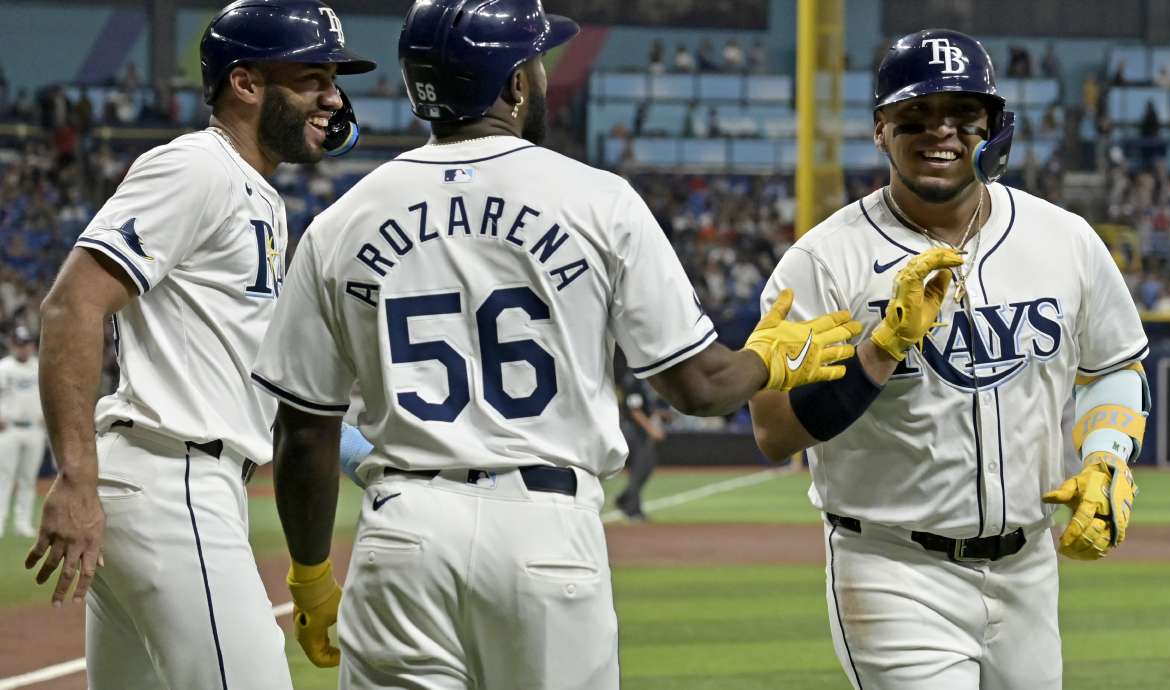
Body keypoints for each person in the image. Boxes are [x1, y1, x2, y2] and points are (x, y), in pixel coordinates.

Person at [250, 1, 863, 688]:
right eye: (535, 64)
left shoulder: (341, 221)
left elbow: (304, 433)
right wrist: (772, 357)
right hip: (543, 531)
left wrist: (308, 577)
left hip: (403, 532)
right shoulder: (598, 200)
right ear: (514, 85)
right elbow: (701, 387)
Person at [750, 29, 1148, 690]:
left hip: (1028, 565)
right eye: (915, 116)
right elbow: (772, 431)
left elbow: (1112, 365)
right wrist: (879, 348)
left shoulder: (1065, 238)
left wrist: (1106, 453)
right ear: (880, 129)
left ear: (994, 126)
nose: (941, 133)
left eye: (963, 116)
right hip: (893, 568)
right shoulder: (826, 261)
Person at [21, 2, 374, 689]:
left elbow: (236, 359)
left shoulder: (258, 192)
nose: (332, 96)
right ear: (245, 84)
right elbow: (71, 305)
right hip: (170, 479)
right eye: (312, 77)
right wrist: (75, 477)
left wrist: (355, 445)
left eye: (332, 78)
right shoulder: (195, 168)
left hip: (181, 481)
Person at [0, 326, 44, 539]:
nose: (23, 348)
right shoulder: (3, 367)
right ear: (12, 345)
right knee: (3, 477)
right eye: (19, 344)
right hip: (9, 428)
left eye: (26, 344)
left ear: (32, 346)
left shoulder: (39, 367)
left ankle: (23, 523)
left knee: (28, 478)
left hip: (34, 428)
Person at [615, 372, 669, 521]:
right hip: (632, 430)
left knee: (646, 467)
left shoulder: (643, 381)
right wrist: (651, 429)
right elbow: (635, 411)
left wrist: (660, 414)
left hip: (638, 429)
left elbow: (644, 407)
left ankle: (624, 499)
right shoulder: (633, 381)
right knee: (640, 468)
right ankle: (632, 509)